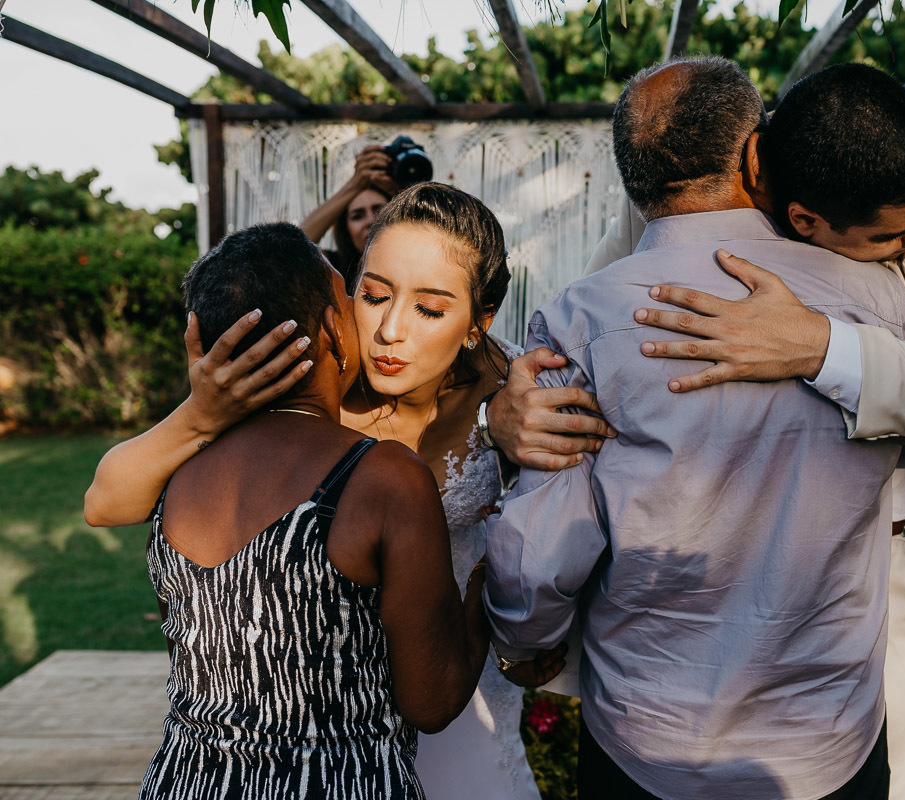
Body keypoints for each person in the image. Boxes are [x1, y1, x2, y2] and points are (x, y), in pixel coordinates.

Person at [489, 63, 905, 800]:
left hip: (673, 721)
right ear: (760, 159)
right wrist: (505, 414)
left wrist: (524, 641)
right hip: (820, 730)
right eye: (900, 232)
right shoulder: (885, 297)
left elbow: (545, 547)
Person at [86, 184, 574, 800]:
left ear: (478, 322)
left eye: (430, 309)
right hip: (331, 717)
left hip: (463, 688)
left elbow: (571, 533)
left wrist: (519, 637)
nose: (390, 331)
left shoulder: (510, 392)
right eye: (372, 296)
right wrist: (199, 412)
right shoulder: (300, 387)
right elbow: (106, 502)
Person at [136, 222, 489, 798]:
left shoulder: (169, 470)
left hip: (186, 781)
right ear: (332, 329)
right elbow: (433, 700)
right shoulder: (383, 478)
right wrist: (481, 592)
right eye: (351, 302)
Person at [300, 145, 402, 282]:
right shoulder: (333, 268)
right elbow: (294, 246)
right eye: (357, 216)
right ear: (346, 231)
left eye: (379, 211)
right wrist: (355, 183)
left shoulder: (416, 262)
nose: (371, 221)